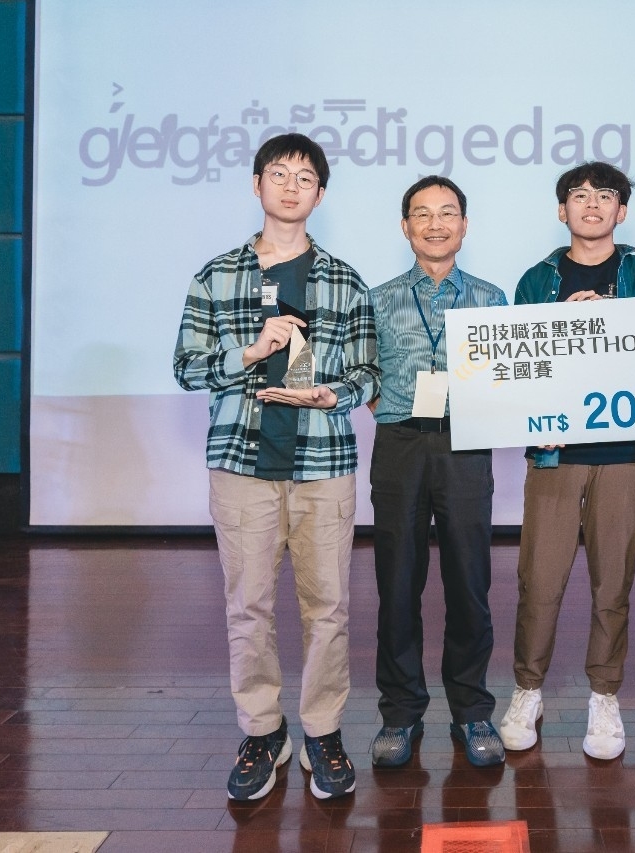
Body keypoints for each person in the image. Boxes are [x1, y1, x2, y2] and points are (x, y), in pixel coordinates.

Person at [173, 133, 379, 800]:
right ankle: (264, 730)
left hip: (324, 461)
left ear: (321, 194)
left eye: (306, 177)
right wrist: (251, 350)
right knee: (248, 607)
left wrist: (333, 393)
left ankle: (322, 730)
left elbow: (368, 369)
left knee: (329, 608)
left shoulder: (345, 278)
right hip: (241, 463)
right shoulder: (216, 274)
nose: (292, 186)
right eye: (280, 174)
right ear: (256, 184)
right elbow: (185, 366)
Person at [498, 162, 635, 760]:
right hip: (555, 454)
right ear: (561, 210)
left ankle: (605, 694)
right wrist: (561, 324)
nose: (592, 205)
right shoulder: (535, 279)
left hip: (628, 454)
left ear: (622, 211)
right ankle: (528, 688)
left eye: (605, 197)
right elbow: (518, 370)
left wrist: (609, 320)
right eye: (579, 196)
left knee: (613, 582)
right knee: (539, 580)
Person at [367, 176, 509, 769]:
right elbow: (366, 377)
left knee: (469, 580)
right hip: (400, 443)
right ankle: (400, 715)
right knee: (397, 583)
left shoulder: (491, 299)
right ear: (404, 227)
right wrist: (402, 414)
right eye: (421, 214)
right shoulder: (375, 299)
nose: (434, 224)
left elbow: (508, 379)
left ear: (465, 225)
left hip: (467, 446)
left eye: (447, 213)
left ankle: (472, 709)